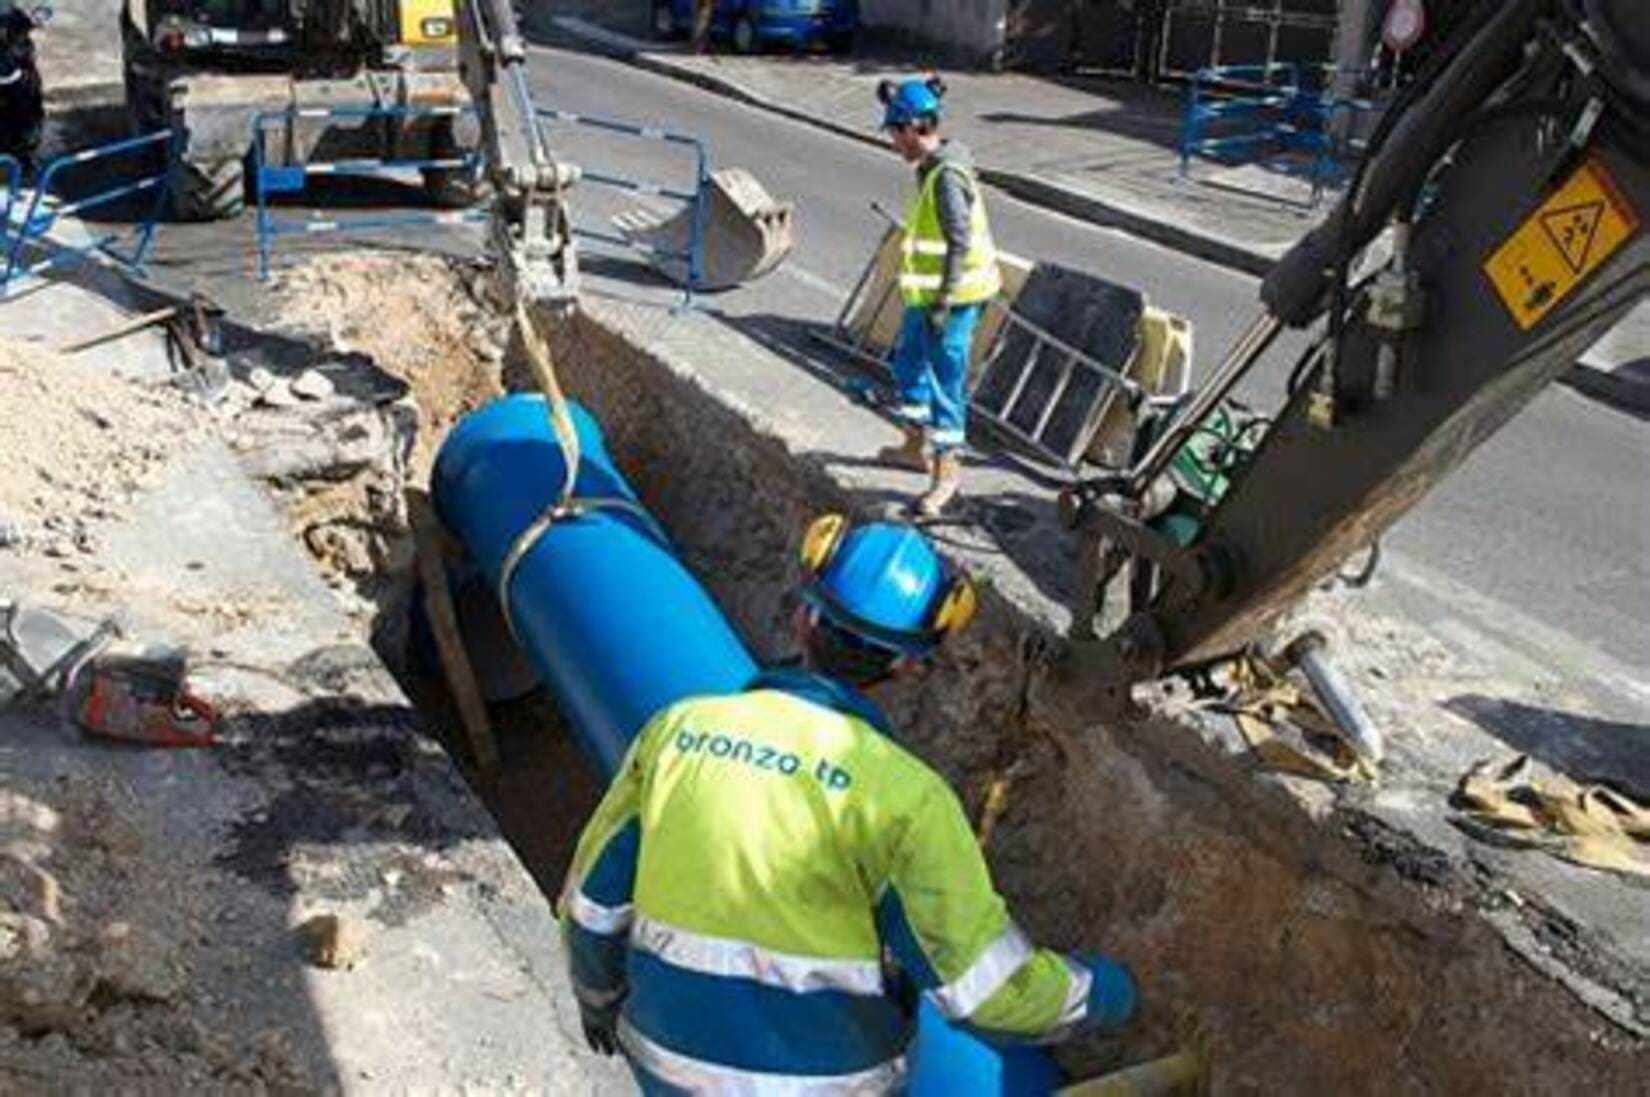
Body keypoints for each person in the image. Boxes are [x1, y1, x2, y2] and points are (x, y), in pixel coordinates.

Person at [559, 515, 1137, 1092]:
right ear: (909, 664)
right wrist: (1110, 989)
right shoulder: (907, 799)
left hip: (669, 1066)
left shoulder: (677, 731)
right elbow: (990, 994)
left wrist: (598, 999)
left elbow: (590, 905)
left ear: (805, 616)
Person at [875, 76, 1002, 518]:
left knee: (947, 382)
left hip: (956, 297)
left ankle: (946, 475)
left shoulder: (946, 176)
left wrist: (945, 302)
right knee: (908, 362)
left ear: (913, 128)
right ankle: (915, 447)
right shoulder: (931, 168)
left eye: (894, 133)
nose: (893, 142)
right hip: (927, 296)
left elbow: (960, 241)